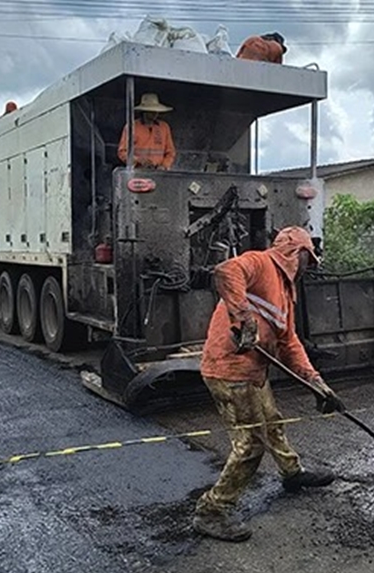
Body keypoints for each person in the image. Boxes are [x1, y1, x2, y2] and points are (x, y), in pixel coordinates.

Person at [193, 226, 339, 542]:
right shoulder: (261, 263)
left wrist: (317, 384)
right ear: (294, 252)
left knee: (273, 422)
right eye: (308, 259)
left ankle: (291, 472)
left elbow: (289, 343)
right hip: (229, 370)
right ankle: (212, 511)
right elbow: (225, 271)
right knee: (250, 446)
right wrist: (243, 318)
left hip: (255, 371)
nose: (309, 267)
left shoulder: (286, 292)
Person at [117, 93, 176, 170]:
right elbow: (122, 152)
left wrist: (164, 165)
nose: (155, 113)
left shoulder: (164, 127)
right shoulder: (132, 126)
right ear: (144, 111)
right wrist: (138, 160)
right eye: (151, 111)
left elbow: (170, 152)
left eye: (156, 111)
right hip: (137, 171)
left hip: (158, 172)